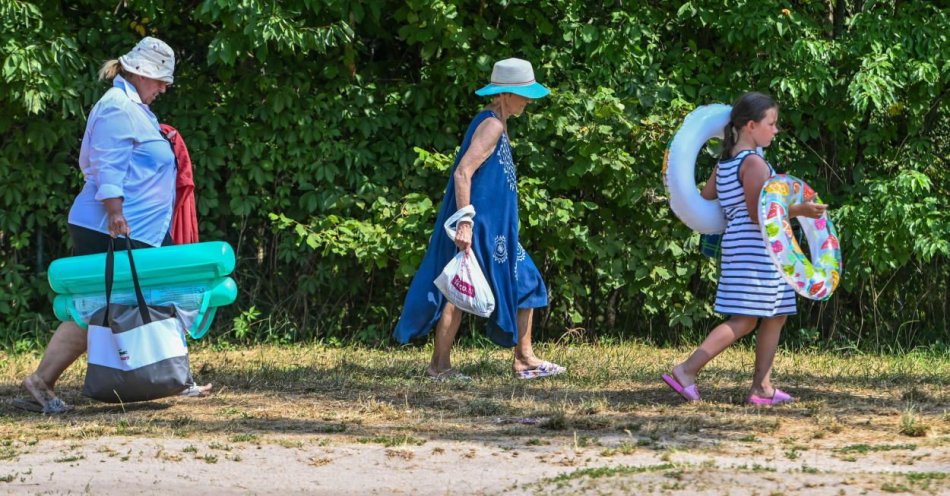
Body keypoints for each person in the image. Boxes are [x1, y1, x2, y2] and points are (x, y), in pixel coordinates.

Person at [19, 37, 211, 414]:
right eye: (159, 79)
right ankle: (41, 381)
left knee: (154, 297)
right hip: (114, 226)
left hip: (140, 227)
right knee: (99, 308)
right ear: (139, 72)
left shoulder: (135, 107)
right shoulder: (117, 107)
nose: (164, 87)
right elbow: (106, 166)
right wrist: (115, 214)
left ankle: (173, 374)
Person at [394, 58, 566, 381]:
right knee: (458, 293)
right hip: (483, 231)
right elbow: (463, 172)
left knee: (526, 282)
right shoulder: (492, 125)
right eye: (523, 94)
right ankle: (439, 366)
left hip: (498, 232)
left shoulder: (498, 120)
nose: (528, 100)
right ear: (504, 94)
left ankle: (524, 359)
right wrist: (466, 223)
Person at [662, 92, 827, 405]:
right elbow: (758, 213)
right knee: (745, 319)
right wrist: (800, 210)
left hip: (742, 244)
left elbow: (708, 195)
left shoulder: (725, 162)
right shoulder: (753, 163)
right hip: (758, 246)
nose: (775, 130)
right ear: (751, 125)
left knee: (776, 313)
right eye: (771, 123)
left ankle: (762, 387)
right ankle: (686, 370)